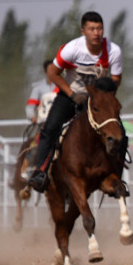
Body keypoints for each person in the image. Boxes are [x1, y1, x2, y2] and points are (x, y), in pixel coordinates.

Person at [24, 12, 124, 192]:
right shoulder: (72, 49)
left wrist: (104, 94)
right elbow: (53, 73)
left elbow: (116, 79)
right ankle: (40, 172)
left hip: (97, 99)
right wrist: (72, 94)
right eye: (92, 29)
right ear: (83, 31)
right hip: (70, 96)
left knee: (119, 131)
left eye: (99, 28)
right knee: (51, 128)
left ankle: (117, 175)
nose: (96, 33)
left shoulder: (113, 51)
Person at [26, 59, 56, 126]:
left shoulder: (63, 86)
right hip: (43, 123)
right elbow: (30, 107)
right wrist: (32, 117)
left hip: (60, 122)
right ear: (46, 72)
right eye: (50, 70)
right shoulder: (38, 87)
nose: (52, 72)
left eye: (54, 70)